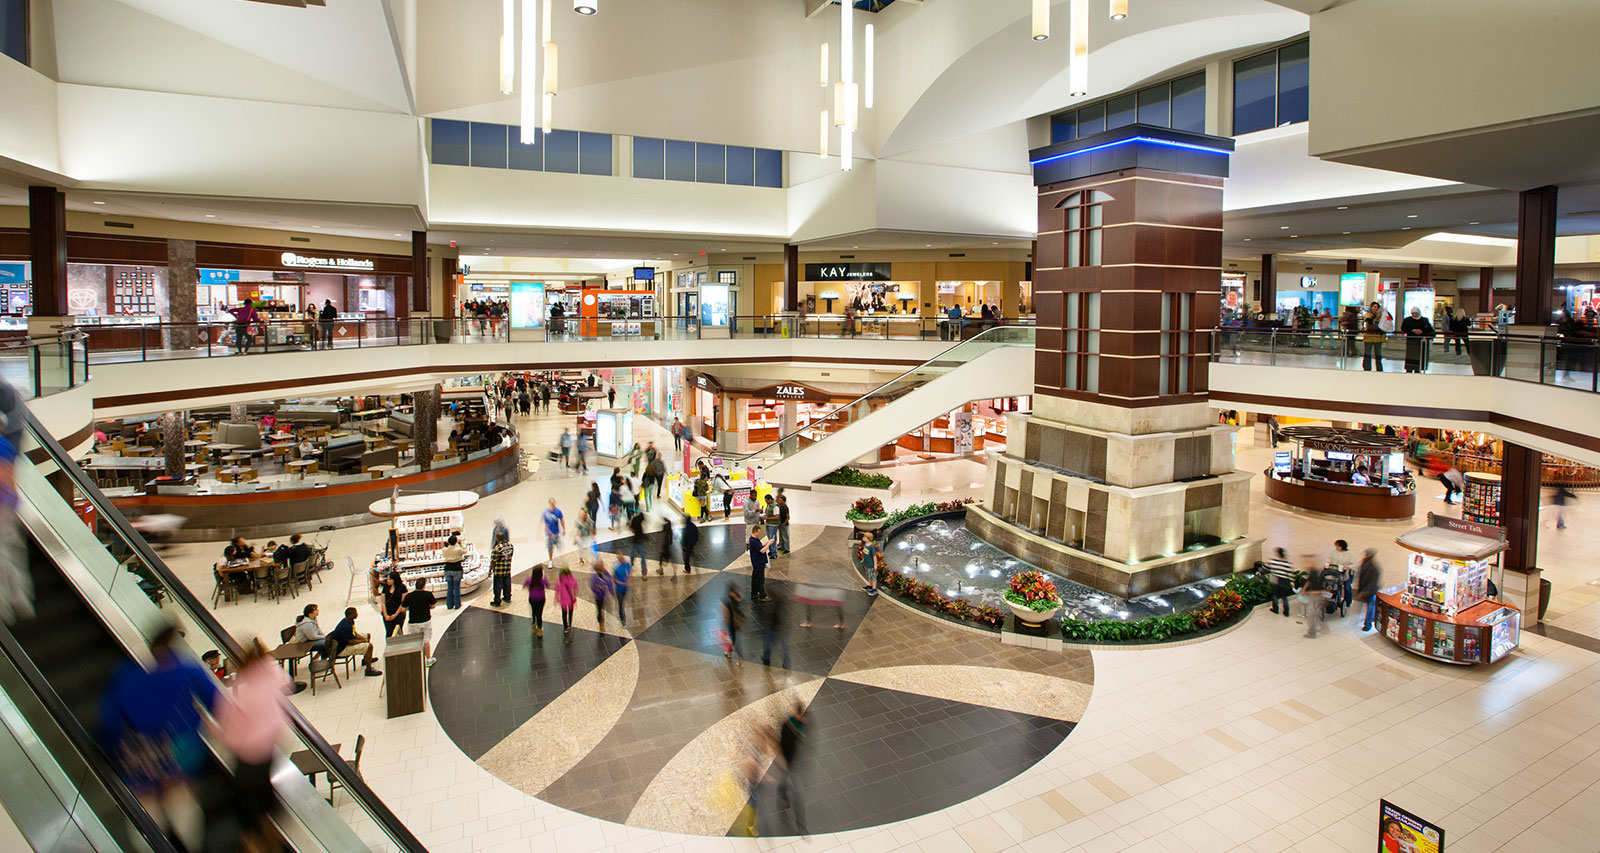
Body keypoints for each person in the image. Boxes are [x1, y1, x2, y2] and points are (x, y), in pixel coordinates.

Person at [99, 624, 219, 851]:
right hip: (179, 747)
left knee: (148, 804)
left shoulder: (125, 673)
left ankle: (150, 845)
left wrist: (113, 751)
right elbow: (216, 703)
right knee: (180, 797)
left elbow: (110, 718)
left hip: (138, 750)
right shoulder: (185, 670)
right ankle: (189, 847)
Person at [213, 638, 291, 853]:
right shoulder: (270, 675)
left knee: (246, 806)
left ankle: (254, 843)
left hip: (248, 757)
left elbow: (230, 734)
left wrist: (214, 730)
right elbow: (286, 683)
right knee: (265, 796)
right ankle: (273, 838)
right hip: (269, 749)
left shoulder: (245, 692)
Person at [774, 702, 808, 835]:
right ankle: (781, 793)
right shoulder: (787, 724)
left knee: (796, 791)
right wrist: (781, 759)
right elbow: (779, 743)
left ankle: (801, 825)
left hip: (794, 763)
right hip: (786, 762)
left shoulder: (801, 725)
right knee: (788, 785)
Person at [327, 607, 382, 676]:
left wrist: (363, 639)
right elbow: (351, 642)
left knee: (367, 635)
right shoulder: (345, 626)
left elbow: (354, 633)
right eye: (355, 613)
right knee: (369, 646)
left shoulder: (350, 621)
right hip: (342, 649)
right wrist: (362, 641)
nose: (357, 614)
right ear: (350, 615)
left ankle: (366, 660)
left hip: (347, 642)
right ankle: (369, 670)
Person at [402, 578, 438, 665]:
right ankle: (428, 659)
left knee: (415, 641)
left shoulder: (409, 596)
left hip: (413, 622)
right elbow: (433, 606)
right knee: (426, 640)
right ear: (424, 586)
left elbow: (403, 608)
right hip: (426, 621)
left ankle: (415, 661)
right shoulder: (428, 595)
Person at [759, 589, 790, 669]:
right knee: (782, 646)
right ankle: (786, 663)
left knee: (768, 643)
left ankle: (766, 659)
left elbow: (771, 617)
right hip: (779, 627)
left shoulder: (774, 605)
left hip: (773, 628)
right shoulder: (779, 604)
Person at [1300, 561, 1329, 639]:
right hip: (1314, 596)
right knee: (1315, 615)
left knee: (1312, 615)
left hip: (1317, 597)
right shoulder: (1313, 572)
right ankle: (1324, 628)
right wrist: (1304, 589)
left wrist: (1307, 592)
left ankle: (1312, 633)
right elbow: (1309, 581)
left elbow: (1321, 591)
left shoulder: (1320, 576)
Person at [1400, 307, 1434, 373]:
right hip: (1411, 342)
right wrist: (1413, 330)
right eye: (1413, 313)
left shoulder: (1424, 320)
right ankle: (1409, 368)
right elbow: (1404, 328)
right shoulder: (1408, 320)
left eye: (1416, 313)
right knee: (1411, 357)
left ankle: (1418, 369)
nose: (1414, 315)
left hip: (1421, 342)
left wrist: (1422, 331)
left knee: (1420, 357)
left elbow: (1430, 330)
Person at [1356, 548, 1382, 632]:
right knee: (1368, 606)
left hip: (1370, 591)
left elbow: (1373, 582)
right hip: (1363, 589)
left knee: (1370, 607)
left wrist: (1365, 591)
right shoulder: (1364, 563)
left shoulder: (1374, 568)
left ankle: (1368, 624)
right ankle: (1369, 620)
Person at [1264, 547, 1294, 617]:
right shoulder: (1287, 564)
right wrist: (1292, 582)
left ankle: (1275, 609)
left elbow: (1265, 568)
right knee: (1284, 597)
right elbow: (1290, 574)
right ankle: (1286, 612)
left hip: (1275, 581)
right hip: (1284, 582)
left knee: (1274, 595)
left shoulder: (1273, 561)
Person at [1328, 539, 1355, 616]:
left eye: (1337, 546)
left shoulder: (1349, 554)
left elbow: (1354, 564)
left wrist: (1347, 567)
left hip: (1347, 573)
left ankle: (1348, 601)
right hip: (1336, 572)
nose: (1336, 547)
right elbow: (1330, 559)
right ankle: (1335, 599)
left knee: (1346, 586)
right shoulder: (1334, 552)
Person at [489, 527, 514, 607]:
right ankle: (507, 597)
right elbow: (511, 555)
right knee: (507, 583)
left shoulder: (497, 548)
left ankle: (497, 601)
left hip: (498, 571)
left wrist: (490, 570)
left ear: (497, 538)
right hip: (507, 569)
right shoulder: (510, 545)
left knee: (497, 586)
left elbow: (493, 560)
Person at [524, 564, 550, 638]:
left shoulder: (529, 579)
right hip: (541, 599)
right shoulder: (543, 580)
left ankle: (533, 624)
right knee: (539, 614)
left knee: (533, 611)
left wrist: (529, 589)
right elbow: (548, 585)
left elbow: (525, 586)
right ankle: (539, 630)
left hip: (532, 598)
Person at [722, 584, 745, 665]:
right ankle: (729, 652)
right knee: (734, 638)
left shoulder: (728, 600)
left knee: (733, 640)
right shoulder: (739, 597)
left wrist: (724, 624)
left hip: (732, 622)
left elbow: (727, 614)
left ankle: (738, 658)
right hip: (738, 621)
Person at [441, 534, 465, 609]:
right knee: (456, 588)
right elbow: (465, 551)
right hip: (457, 568)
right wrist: (460, 545)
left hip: (447, 568)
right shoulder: (458, 549)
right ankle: (457, 604)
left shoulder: (444, 550)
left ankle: (449, 605)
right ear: (456, 542)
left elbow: (445, 551)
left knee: (450, 587)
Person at [381, 571, 407, 637]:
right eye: (387, 579)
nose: (388, 581)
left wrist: (395, 615)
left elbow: (402, 603)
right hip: (387, 613)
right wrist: (385, 615)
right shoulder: (385, 588)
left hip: (398, 613)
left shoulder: (402, 588)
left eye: (390, 579)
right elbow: (383, 602)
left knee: (398, 631)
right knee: (389, 632)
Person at [1362, 301, 1386, 371]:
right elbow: (1369, 322)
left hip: (1378, 338)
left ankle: (1379, 368)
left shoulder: (1382, 316)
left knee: (1378, 353)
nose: (1376, 308)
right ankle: (1367, 367)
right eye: (1374, 307)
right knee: (1367, 352)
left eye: (1377, 307)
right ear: (1371, 307)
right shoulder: (1368, 315)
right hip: (1369, 337)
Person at [590, 557, 614, 630]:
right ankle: (601, 622)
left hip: (605, 595)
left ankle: (601, 621)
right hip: (599, 596)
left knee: (604, 608)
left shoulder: (606, 573)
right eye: (601, 566)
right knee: (600, 609)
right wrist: (598, 588)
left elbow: (609, 582)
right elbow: (592, 587)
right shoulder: (594, 576)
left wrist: (611, 591)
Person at [748, 530, 771, 602]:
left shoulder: (755, 540)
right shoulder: (754, 541)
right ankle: (762, 595)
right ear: (754, 532)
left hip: (757, 563)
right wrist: (769, 544)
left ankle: (754, 593)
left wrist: (767, 542)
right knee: (760, 579)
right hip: (758, 563)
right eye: (758, 532)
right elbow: (762, 550)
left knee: (755, 578)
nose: (759, 533)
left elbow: (760, 546)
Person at [556, 566, 579, 640]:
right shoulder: (571, 578)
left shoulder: (559, 579)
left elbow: (557, 590)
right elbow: (575, 588)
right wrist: (574, 596)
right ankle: (570, 623)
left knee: (564, 613)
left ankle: (565, 626)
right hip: (570, 599)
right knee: (570, 612)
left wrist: (556, 599)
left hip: (563, 600)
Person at [542, 498, 566, 564]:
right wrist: (549, 532)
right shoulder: (547, 513)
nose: (553, 505)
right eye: (552, 503)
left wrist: (564, 529)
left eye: (554, 503)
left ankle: (559, 559)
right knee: (550, 548)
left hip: (557, 533)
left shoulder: (558, 511)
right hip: (550, 534)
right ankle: (550, 560)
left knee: (559, 547)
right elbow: (546, 525)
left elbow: (562, 520)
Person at [612, 556, 632, 627]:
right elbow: (614, 579)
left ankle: (622, 617)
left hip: (625, 588)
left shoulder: (627, 564)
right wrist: (622, 583)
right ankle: (623, 619)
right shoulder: (616, 568)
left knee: (623, 602)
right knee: (621, 604)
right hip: (619, 589)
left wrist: (628, 579)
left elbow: (629, 572)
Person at [860, 530, 880, 596]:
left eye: (864, 537)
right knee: (869, 576)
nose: (863, 538)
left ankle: (874, 589)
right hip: (867, 564)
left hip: (871, 565)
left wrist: (875, 565)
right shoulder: (865, 544)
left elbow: (874, 556)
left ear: (868, 538)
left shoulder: (871, 547)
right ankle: (870, 586)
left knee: (873, 577)